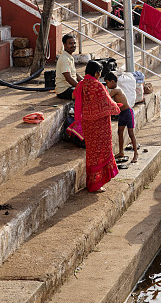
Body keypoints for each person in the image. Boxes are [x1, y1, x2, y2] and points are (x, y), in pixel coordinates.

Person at [72, 59, 121, 193]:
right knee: (102, 151)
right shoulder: (97, 85)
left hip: (87, 123)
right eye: (99, 72)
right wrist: (117, 108)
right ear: (96, 73)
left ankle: (92, 183)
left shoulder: (82, 84)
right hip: (100, 125)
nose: (100, 75)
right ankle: (96, 184)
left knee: (92, 153)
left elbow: (74, 95)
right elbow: (107, 102)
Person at [105, 73, 138, 163]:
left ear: (112, 82)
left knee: (131, 133)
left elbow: (106, 97)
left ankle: (136, 154)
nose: (107, 86)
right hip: (122, 113)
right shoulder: (115, 90)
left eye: (107, 83)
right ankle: (121, 152)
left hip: (128, 112)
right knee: (120, 132)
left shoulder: (116, 90)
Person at [55, 33, 79, 100]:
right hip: (64, 91)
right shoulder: (64, 58)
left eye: (74, 43)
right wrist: (80, 87)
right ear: (64, 45)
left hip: (71, 87)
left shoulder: (69, 57)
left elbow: (75, 74)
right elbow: (68, 78)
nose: (73, 45)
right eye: (70, 43)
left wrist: (86, 82)